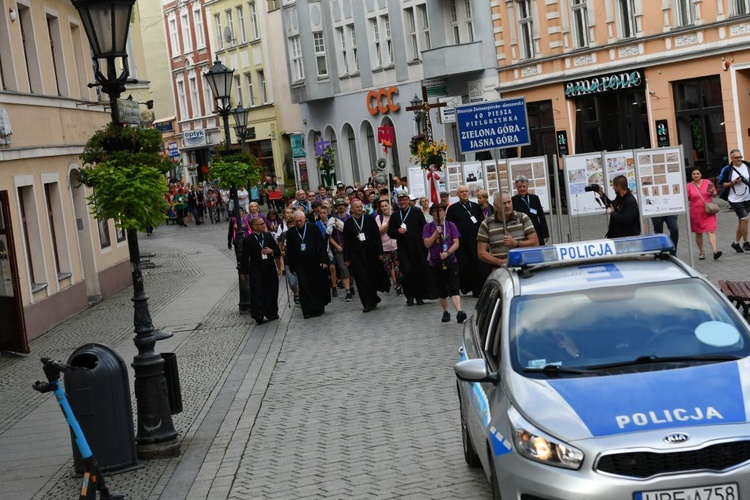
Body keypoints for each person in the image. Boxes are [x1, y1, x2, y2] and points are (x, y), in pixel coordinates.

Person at [387, 189, 437, 306]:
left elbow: (423, 228)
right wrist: (397, 231)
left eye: (404, 199)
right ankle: (409, 295)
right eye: (400, 200)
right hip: (403, 248)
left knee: (418, 271)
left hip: (417, 247)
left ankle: (419, 296)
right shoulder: (395, 215)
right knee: (407, 271)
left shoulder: (416, 212)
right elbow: (390, 232)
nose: (402, 202)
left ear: (408, 200)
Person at [423, 203, 466, 323]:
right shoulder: (428, 227)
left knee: (454, 286)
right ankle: (445, 311)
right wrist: (435, 233)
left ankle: (459, 311)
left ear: (445, 212)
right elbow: (427, 244)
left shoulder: (451, 225)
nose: (438, 214)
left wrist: (447, 253)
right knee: (441, 289)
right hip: (435, 262)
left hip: (451, 260)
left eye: (441, 211)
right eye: (436, 211)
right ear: (432, 214)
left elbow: (456, 242)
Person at [344, 199, 388, 312]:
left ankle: (373, 299)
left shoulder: (369, 219)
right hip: (356, 255)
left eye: (360, 206)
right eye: (357, 207)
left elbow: (377, 236)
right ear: (352, 209)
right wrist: (347, 258)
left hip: (371, 252)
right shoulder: (348, 223)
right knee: (361, 278)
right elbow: (346, 242)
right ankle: (366, 304)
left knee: (371, 277)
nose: (359, 208)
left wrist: (380, 252)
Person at [285, 211, 330, 318]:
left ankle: (318, 308)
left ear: (305, 219)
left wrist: (324, 259)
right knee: (304, 285)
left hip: (314, 261)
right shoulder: (291, 232)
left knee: (315, 284)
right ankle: (307, 310)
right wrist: (291, 266)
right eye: (297, 221)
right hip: (300, 264)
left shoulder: (313, 228)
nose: (299, 223)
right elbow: (290, 251)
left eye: (301, 220)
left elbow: (321, 244)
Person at [477, 191, 539, 270]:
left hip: (524, 268)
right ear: (495, 206)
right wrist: (500, 262)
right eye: (503, 203)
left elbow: (535, 242)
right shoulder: (486, 224)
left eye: (509, 202)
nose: (507, 206)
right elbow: (481, 253)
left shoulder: (522, 218)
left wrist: (516, 243)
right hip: (500, 270)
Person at [446, 185, 486, 297]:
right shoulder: (453, 209)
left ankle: (477, 289)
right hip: (461, 242)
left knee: (477, 263)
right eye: (462, 192)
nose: (464, 193)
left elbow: (482, 223)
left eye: (466, 191)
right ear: (458, 194)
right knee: (464, 264)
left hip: (475, 240)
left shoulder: (476, 207)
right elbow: (450, 226)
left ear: (469, 193)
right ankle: (465, 286)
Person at [240, 217, 281, 325]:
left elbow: (277, 251)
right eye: (261, 224)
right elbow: (244, 257)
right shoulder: (248, 239)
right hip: (256, 269)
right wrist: (243, 272)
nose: (264, 225)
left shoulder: (268, 236)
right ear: (254, 226)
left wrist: (271, 251)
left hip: (269, 267)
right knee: (257, 291)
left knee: (271, 290)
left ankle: (272, 312)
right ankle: (258, 314)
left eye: (264, 223)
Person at [687, 167, 722, 260]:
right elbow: (687, 198)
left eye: (697, 173)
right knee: (698, 233)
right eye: (694, 174)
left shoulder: (707, 182)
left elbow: (714, 194)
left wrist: (712, 192)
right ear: (691, 176)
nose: (696, 175)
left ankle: (715, 251)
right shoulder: (689, 186)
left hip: (708, 211)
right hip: (696, 213)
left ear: (701, 175)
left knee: (711, 230)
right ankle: (701, 252)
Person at [720, 149, 750, 253]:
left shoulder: (747, 166)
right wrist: (732, 182)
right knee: (745, 219)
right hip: (734, 199)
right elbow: (722, 183)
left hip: (747, 197)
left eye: (740, 157)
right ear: (731, 158)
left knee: (742, 221)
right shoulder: (727, 169)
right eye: (736, 157)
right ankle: (746, 243)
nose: (739, 159)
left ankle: (736, 243)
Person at [512, 176, 549, 245]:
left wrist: (545, 233)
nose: (522, 189)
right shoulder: (513, 200)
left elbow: (541, 216)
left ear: (527, 186)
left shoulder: (535, 198)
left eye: (524, 186)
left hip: (537, 231)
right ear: (516, 187)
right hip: (522, 233)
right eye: (520, 187)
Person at [376, 198, 402, 294]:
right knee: (387, 268)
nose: (384, 208)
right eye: (382, 206)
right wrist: (388, 224)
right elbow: (378, 231)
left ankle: (399, 285)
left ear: (389, 206)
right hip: (385, 247)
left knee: (397, 268)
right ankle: (390, 282)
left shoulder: (395, 216)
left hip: (395, 246)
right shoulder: (379, 218)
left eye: (386, 206)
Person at [330, 198, 354, 301]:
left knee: (351, 270)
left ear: (345, 206)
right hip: (339, 248)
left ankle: (351, 285)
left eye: (342, 205)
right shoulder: (333, 219)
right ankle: (347, 291)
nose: (341, 207)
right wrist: (336, 246)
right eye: (338, 205)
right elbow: (329, 236)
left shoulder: (350, 218)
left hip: (350, 247)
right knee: (343, 269)